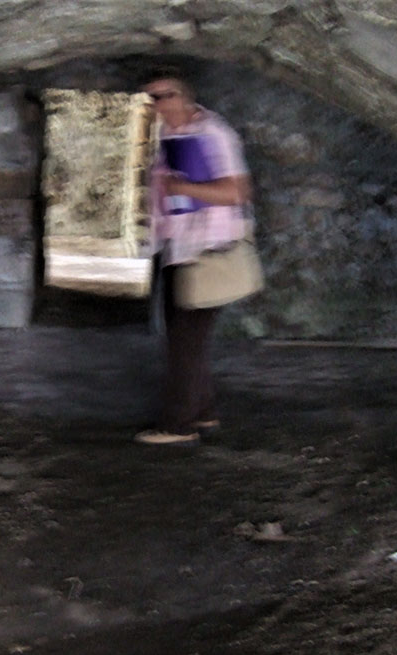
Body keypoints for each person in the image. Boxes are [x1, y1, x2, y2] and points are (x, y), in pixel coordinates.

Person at [134, 69, 253, 446]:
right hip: (178, 249)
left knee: (185, 343)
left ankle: (177, 425)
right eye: (149, 98)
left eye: (163, 96)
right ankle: (202, 413)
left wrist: (181, 186)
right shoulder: (163, 135)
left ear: (184, 98)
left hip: (207, 250)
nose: (155, 105)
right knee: (186, 341)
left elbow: (237, 193)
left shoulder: (214, 133)